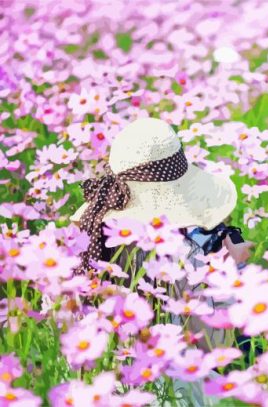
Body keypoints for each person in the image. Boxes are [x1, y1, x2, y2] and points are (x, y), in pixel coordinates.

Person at [70, 117, 253, 405]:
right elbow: (214, 343)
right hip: (169, 388)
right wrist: (233, 270)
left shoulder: (83, 241)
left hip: (93, 388)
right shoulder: (175, 255)